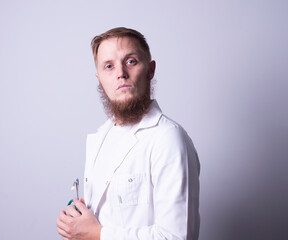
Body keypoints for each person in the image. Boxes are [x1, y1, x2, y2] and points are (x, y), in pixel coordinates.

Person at [56, 27, 200, 240]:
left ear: (150, 70)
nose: (120, 73)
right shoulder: (101, 138)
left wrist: (96, 234)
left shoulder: (168, 139)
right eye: (109, 66)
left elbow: (175, 237)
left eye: (131, 61)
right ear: (100, 79)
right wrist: (76, 222)